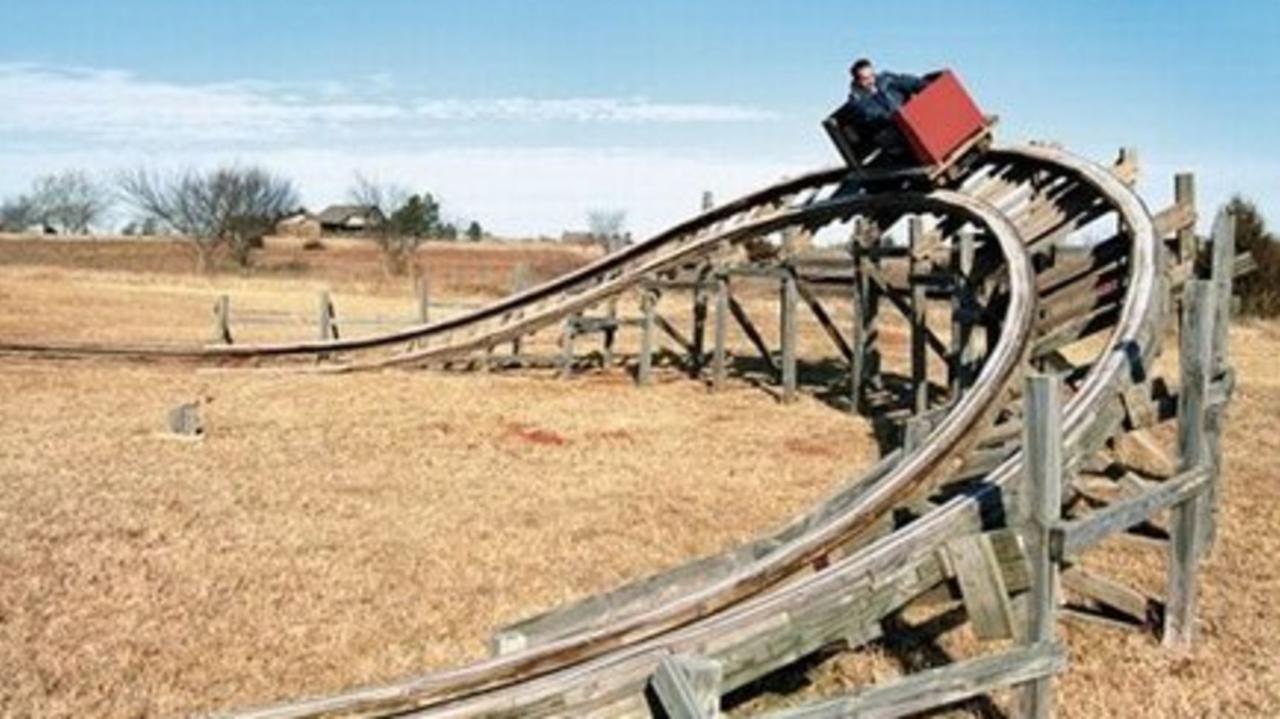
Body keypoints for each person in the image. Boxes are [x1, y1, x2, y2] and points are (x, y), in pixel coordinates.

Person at [843, 58, 928, 158]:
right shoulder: (857, 102)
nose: (871, 81)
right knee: (890, 135)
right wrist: (897, 117)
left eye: (872, 76)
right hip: (891, 131)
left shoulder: (887, 80)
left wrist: (926, 88)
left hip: (911, 119)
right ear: (857, 81)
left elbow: (911, 82)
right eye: (865, 79)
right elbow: (873, 118)